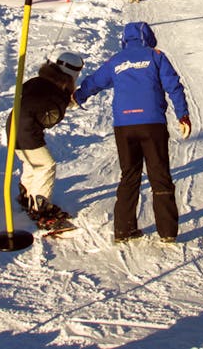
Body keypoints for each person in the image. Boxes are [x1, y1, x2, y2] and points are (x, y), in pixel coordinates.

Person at [73, 22, 192, 244]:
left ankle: (124, 230)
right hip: (152, 124)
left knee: (129, 175)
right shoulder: (156, 56)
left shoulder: (116, 61)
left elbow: (95, 82)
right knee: (160, 176)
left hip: (124, 126)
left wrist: (78, 97)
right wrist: (182, 115)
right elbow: (173, 86)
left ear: (125, 40)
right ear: (148, 37)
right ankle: (167, 231)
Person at [11, 53, 84, 232]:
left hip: (13, 125)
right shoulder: (56, 91)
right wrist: (67, 101)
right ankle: (41, 209)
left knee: (31, 163)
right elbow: (52, 118)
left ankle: (27, 196)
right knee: (46, 166)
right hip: (27, 130)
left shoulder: (38, 81)